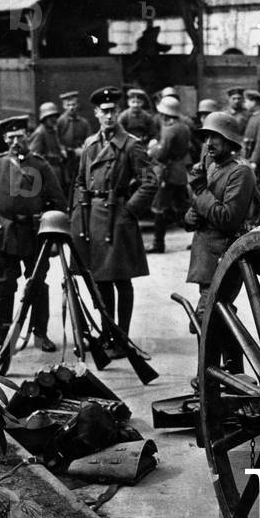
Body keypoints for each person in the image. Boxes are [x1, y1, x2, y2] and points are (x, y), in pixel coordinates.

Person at [70, 86, 157, 358]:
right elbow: (80, 181)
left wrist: (129, 210)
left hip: (116, 217)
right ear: (96, 114)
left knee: (122, 280)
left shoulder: (131, 144)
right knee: (100, 281)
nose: (108, 116)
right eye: (103, 112)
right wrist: (77, 216)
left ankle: (123, 337)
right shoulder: (89, 144)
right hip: (91, 217)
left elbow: (150, 182)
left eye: (112, 111)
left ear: (117, 112)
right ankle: (108, 333)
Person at [0, 115, 66, 351]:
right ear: (5, 139)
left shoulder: (40, 165)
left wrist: (48, 226)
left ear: (27, 136)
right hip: (6, 232)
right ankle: (3, 335)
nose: (16, 141)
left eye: (20, 136)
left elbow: (58, 201)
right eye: (11, 137)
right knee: (5, 284)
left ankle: (41, 334)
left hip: (34, 233)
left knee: (38, 282)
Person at [184, 112, 256, 325]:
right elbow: (203, 204)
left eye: (214, 137)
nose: (208, 143)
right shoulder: (211, 164)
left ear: (228, 139)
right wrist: (191, 216)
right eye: (206, 138)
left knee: (207, 320)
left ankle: (222, 360)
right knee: (215, 322)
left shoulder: (240, 172)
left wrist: (199, 189)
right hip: (206, 258)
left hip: (223, 255)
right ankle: (226, 359)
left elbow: (227, 219)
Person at [147, 95, 192, 253]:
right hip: (180, 170)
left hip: (168, 172)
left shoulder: (169, 129)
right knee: (183, 206)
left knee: (159, 206)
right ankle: (197, 239)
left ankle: (158, 244)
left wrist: (151, 148)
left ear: (165, 114)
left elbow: (161, 153)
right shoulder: (184, 126)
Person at [28, 101, 67, 193]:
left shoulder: (53, 131)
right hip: (47, 172)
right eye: (50, 117)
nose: (53, 119)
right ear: (44, 118)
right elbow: (33, 157)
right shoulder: (40, 133)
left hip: (58, 170)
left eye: (55, 117)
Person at [56, 90, 91, 193]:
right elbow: (56, 139)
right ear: (64, 106)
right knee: (66, 183)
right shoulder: (60, 122)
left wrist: (83, 150)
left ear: (77, 105)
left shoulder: (84, 122)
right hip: (65, 159)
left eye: (73, 104)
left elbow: (89, 139)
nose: (71, 107)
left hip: (80, 157)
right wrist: (62, 150)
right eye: (68, 105)